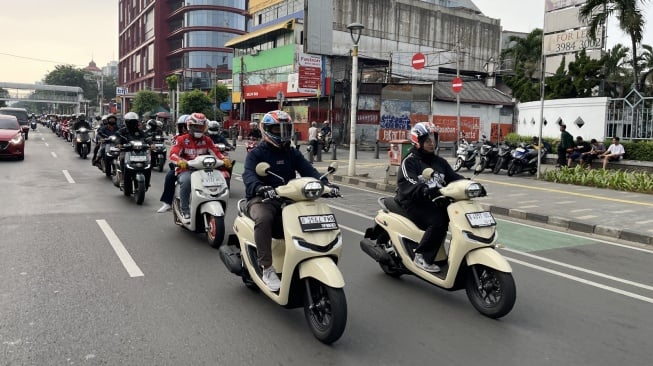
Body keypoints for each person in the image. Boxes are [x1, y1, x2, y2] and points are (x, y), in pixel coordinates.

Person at [242, 110, 339, 291]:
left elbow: (309, 170)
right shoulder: (256, 153)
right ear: (266, 130)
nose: (282, 134)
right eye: (277, 130)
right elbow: (248, 175)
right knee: (264, 219)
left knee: (311, 213)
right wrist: (259, 187)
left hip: (289, 197)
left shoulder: (292, 152)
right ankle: (267, 268)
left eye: (285, 129)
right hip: (262, 198)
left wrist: (326, 184)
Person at [396, 122, 465, 273]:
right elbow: (409, 182)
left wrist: (470, 185)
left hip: (433, 201)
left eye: (434, 139)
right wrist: (425, 189)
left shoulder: (440, 162)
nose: (432, 143)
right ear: (418, 141)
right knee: (439, 220)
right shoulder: (410, 161)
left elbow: (454, 177)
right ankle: (422, 256)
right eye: (427, 140)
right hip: (412, 201)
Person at [168, 113, 230, 223]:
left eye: (201, 127)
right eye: (196, 126)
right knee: (186, 181)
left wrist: (224, 159)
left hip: (205, 169)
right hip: (186, 170)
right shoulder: (182, 139)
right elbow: (173, 154)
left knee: (220, 178)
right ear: (189, 126)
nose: (198, 129)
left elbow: (215, 152)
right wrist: (180, 161)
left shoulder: (207, 139)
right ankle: (185, 209)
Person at [157, 114, 189, 213]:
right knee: (170, 176)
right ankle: (167, 203)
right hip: (182, 166)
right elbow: (173, 153)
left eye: (186, 126)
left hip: (201, 165)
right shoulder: (177, 138)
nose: (184, 129)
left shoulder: (203, 138)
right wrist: (179, 161)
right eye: (182, 126)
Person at [116, 111, 151, 189]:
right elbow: (117, 137)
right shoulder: (123, 131)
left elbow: (146, 137)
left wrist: (151, 144)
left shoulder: (139, 131)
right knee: (122, 159)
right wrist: (119, 144)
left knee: (148, 163)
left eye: (134, 122)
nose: (132, 124)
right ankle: (122, 178)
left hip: (140, 151)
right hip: (126, 150)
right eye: (130, 122)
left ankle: (147, 181)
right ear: (126, 122)